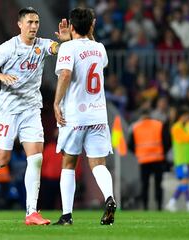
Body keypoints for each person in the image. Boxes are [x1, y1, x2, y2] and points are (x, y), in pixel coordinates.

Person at [0, 7, 70, 225]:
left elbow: (58, 49)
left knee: (36, 158)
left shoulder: (42, 45)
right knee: (2, 159)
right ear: (19, 24)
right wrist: (1, 75)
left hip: (31, 110)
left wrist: (66, 42)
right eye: (30, 22)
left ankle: (31, 212)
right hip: (8, 111)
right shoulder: (7, 48)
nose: (34, 26)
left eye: (36, 22)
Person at [53, 7, 116, 226]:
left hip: (75, 115)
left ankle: (67, 215)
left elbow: (66, 73)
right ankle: (109, 197)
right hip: (98, 114)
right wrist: (85, 34)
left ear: (71, 27)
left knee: (69, 163)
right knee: (98, 163)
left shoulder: (67, 47)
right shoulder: (100, 48)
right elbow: (92, 55)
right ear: (92, 26)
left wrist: (56, 102)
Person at [128, 110, 170, 210]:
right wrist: (162, 152)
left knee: (145, 185)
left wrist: (138, 152)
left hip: (143, 160)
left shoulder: (136, 127)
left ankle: (145, 207)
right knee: (158, 184)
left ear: (142, 116)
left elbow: (130, 145)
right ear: (150, 115)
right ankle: (159, 206)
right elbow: (167, 141)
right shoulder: (159, 125)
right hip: (158, 159)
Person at [165, 106, 189, 212]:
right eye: (187, 116)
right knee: (185, 181)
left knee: (184, 182)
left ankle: (171, 203)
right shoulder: (176, 128)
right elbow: (186, 139)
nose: (188, 118)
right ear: (182, 116)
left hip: (188, 159)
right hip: (181, 160)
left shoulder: (185, 126)